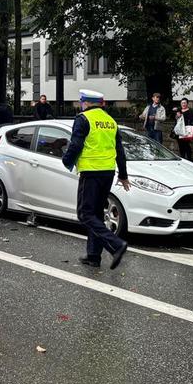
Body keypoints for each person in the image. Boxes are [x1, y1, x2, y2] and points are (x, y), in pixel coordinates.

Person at [62, 89, 130, 269]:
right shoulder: (110, 121)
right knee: (97, 213)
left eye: (81, 102)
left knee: (84, 214)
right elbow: (120, 150)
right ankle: (93, 256)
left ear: (85, 102)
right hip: (108, 172)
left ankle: (116, 244)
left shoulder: (83, 119)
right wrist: (123, 175)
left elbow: (76, 144)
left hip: (91, 172)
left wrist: (66, 160)